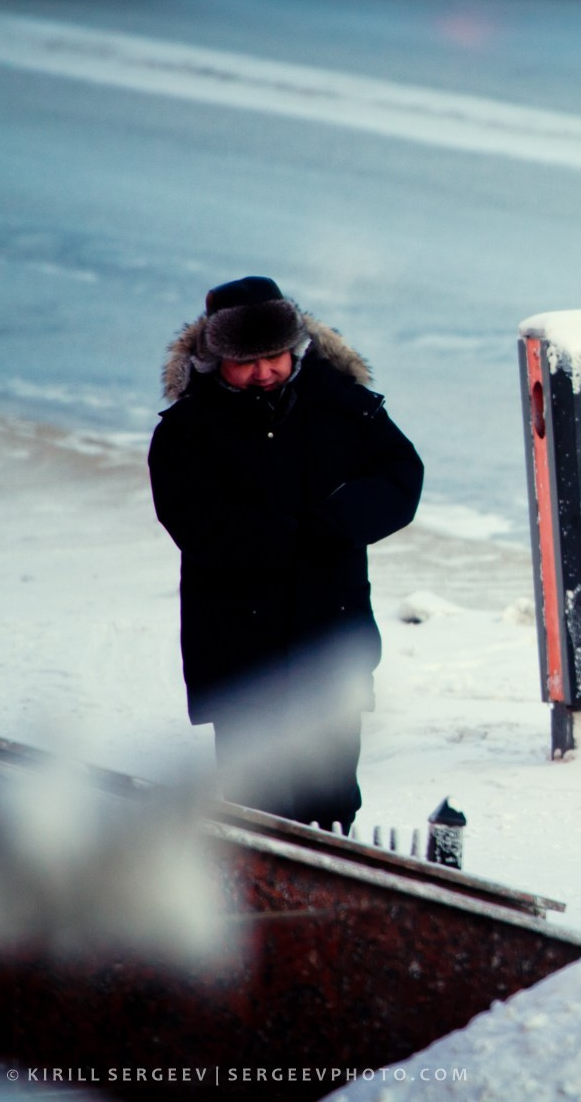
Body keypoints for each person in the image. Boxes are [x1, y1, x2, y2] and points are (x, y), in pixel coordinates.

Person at [149, 276, 423, 831]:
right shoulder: (185, 432)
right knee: (254, 806)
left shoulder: (343, 403)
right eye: (246, 362)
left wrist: (335, 523)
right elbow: (195, 523)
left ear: (293, 347)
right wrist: (288, 538)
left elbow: (402, 477)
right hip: (241, 647)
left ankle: (332, 905)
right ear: (214, 356)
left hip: (330, 635)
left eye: (273, 356)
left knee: (332, 801)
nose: (263, 372)